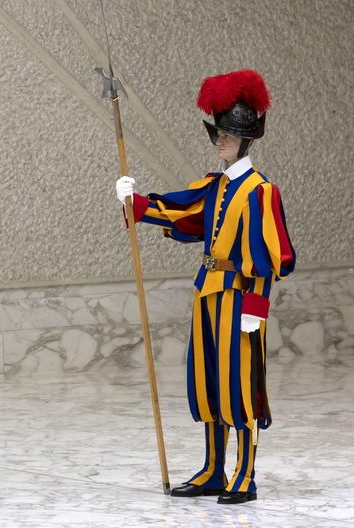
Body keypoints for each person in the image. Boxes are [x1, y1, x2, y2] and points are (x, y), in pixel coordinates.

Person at [115, 70, 295, 504]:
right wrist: (135, 203)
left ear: (246, 139)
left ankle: (244, 475)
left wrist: (257, 306)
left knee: (239, 386)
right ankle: (214, 469)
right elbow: (184, 214)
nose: (220, 140)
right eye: (219, 132)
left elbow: (274, 255)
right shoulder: (216, 187)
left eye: (228, 134)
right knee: (210, 382)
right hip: (208, 295)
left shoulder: (261, 192)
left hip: (240, 300)